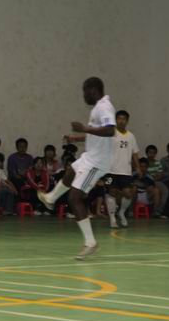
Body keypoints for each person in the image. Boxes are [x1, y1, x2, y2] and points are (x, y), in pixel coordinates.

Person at [38, 77, 116, 260]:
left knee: (74, 198)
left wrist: (84, 129)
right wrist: (77, 138)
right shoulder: (97, 108)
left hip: (97, 163)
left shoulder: (104, 107)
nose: (83, 95)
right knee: (71, 171)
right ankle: (51, 198)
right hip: (90, 156)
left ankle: (90, 243)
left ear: (93, 90)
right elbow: (97, 135)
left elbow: (110, 130)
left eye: (84, 91)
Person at [105, 110, 139, 228]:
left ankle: (121, 212)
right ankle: (112, 218)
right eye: (119, 118)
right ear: (115, 120)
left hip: (125, 171)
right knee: (112, 192)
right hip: (110, 170)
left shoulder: (131, 136)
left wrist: (138, 167)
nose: (121, 121)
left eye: (123, 119)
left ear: (127, 121)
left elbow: (135, 153)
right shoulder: (110, 134)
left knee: (128, 193)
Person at [145, 145, 169, 218]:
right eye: (150, 152)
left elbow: (160, 175)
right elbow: (144, 174)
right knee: (157, 190)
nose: (152, 154)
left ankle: (158, 211)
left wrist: (154, 177)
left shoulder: (158, 163)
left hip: (157, 181)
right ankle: (156, 211)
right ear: (146, 153)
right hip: (147, 182)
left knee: (165, 191)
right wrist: (152, 177)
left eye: (153, 153)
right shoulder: (144, 162)